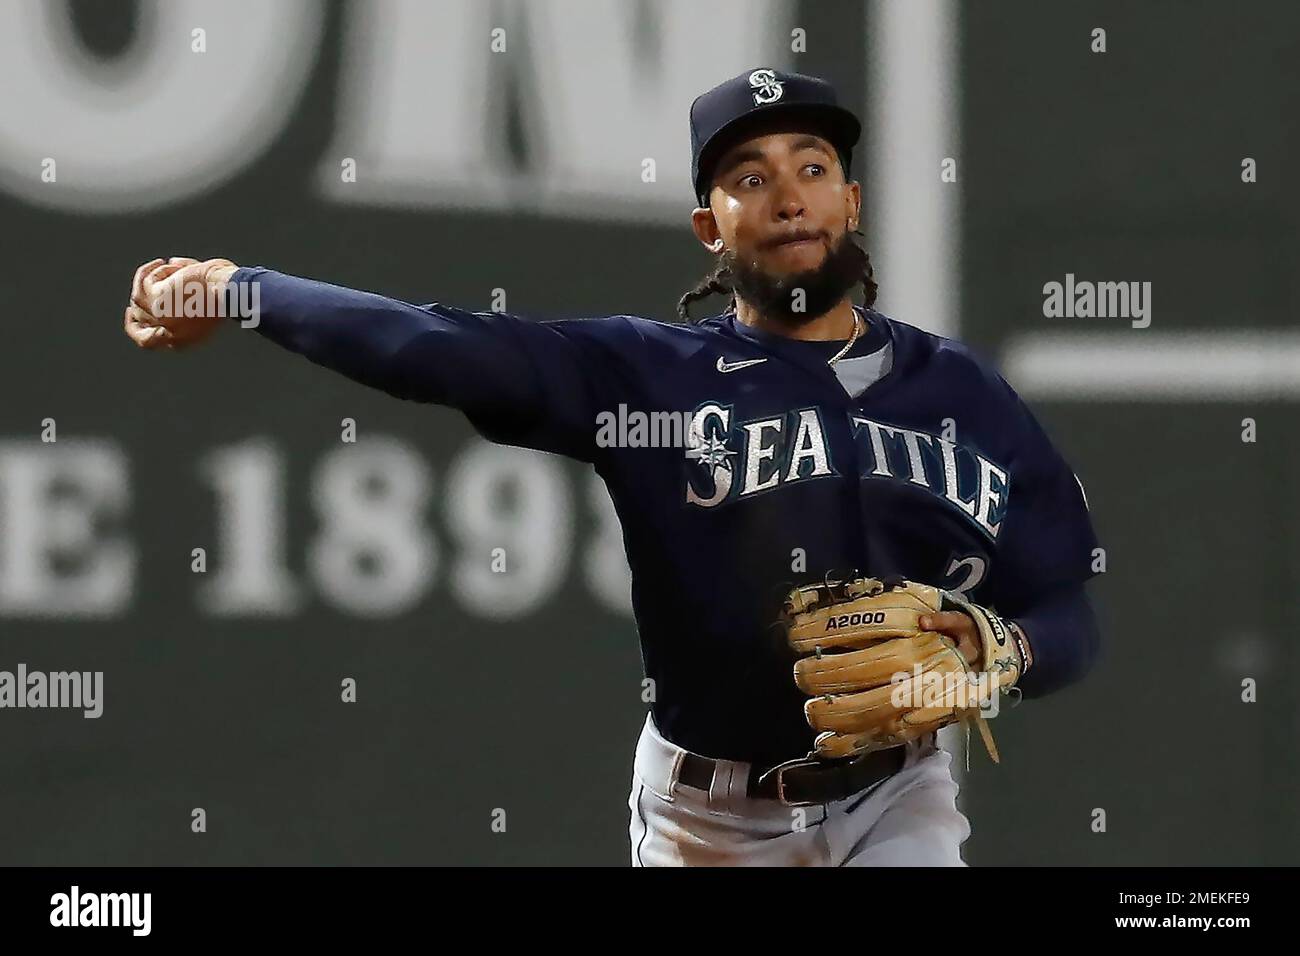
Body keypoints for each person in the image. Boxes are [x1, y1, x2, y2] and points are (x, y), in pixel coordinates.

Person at [123, 67, 1101, 866]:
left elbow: (1066, 602)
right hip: (710, 822)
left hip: (899, 794)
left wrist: (998, 649)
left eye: (811, 164)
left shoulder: (962, 392)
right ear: (708, 229)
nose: (788, 191)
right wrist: (242, 289)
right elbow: (434, 346)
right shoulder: (646, 374)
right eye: (748, 176)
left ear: (849, 197)